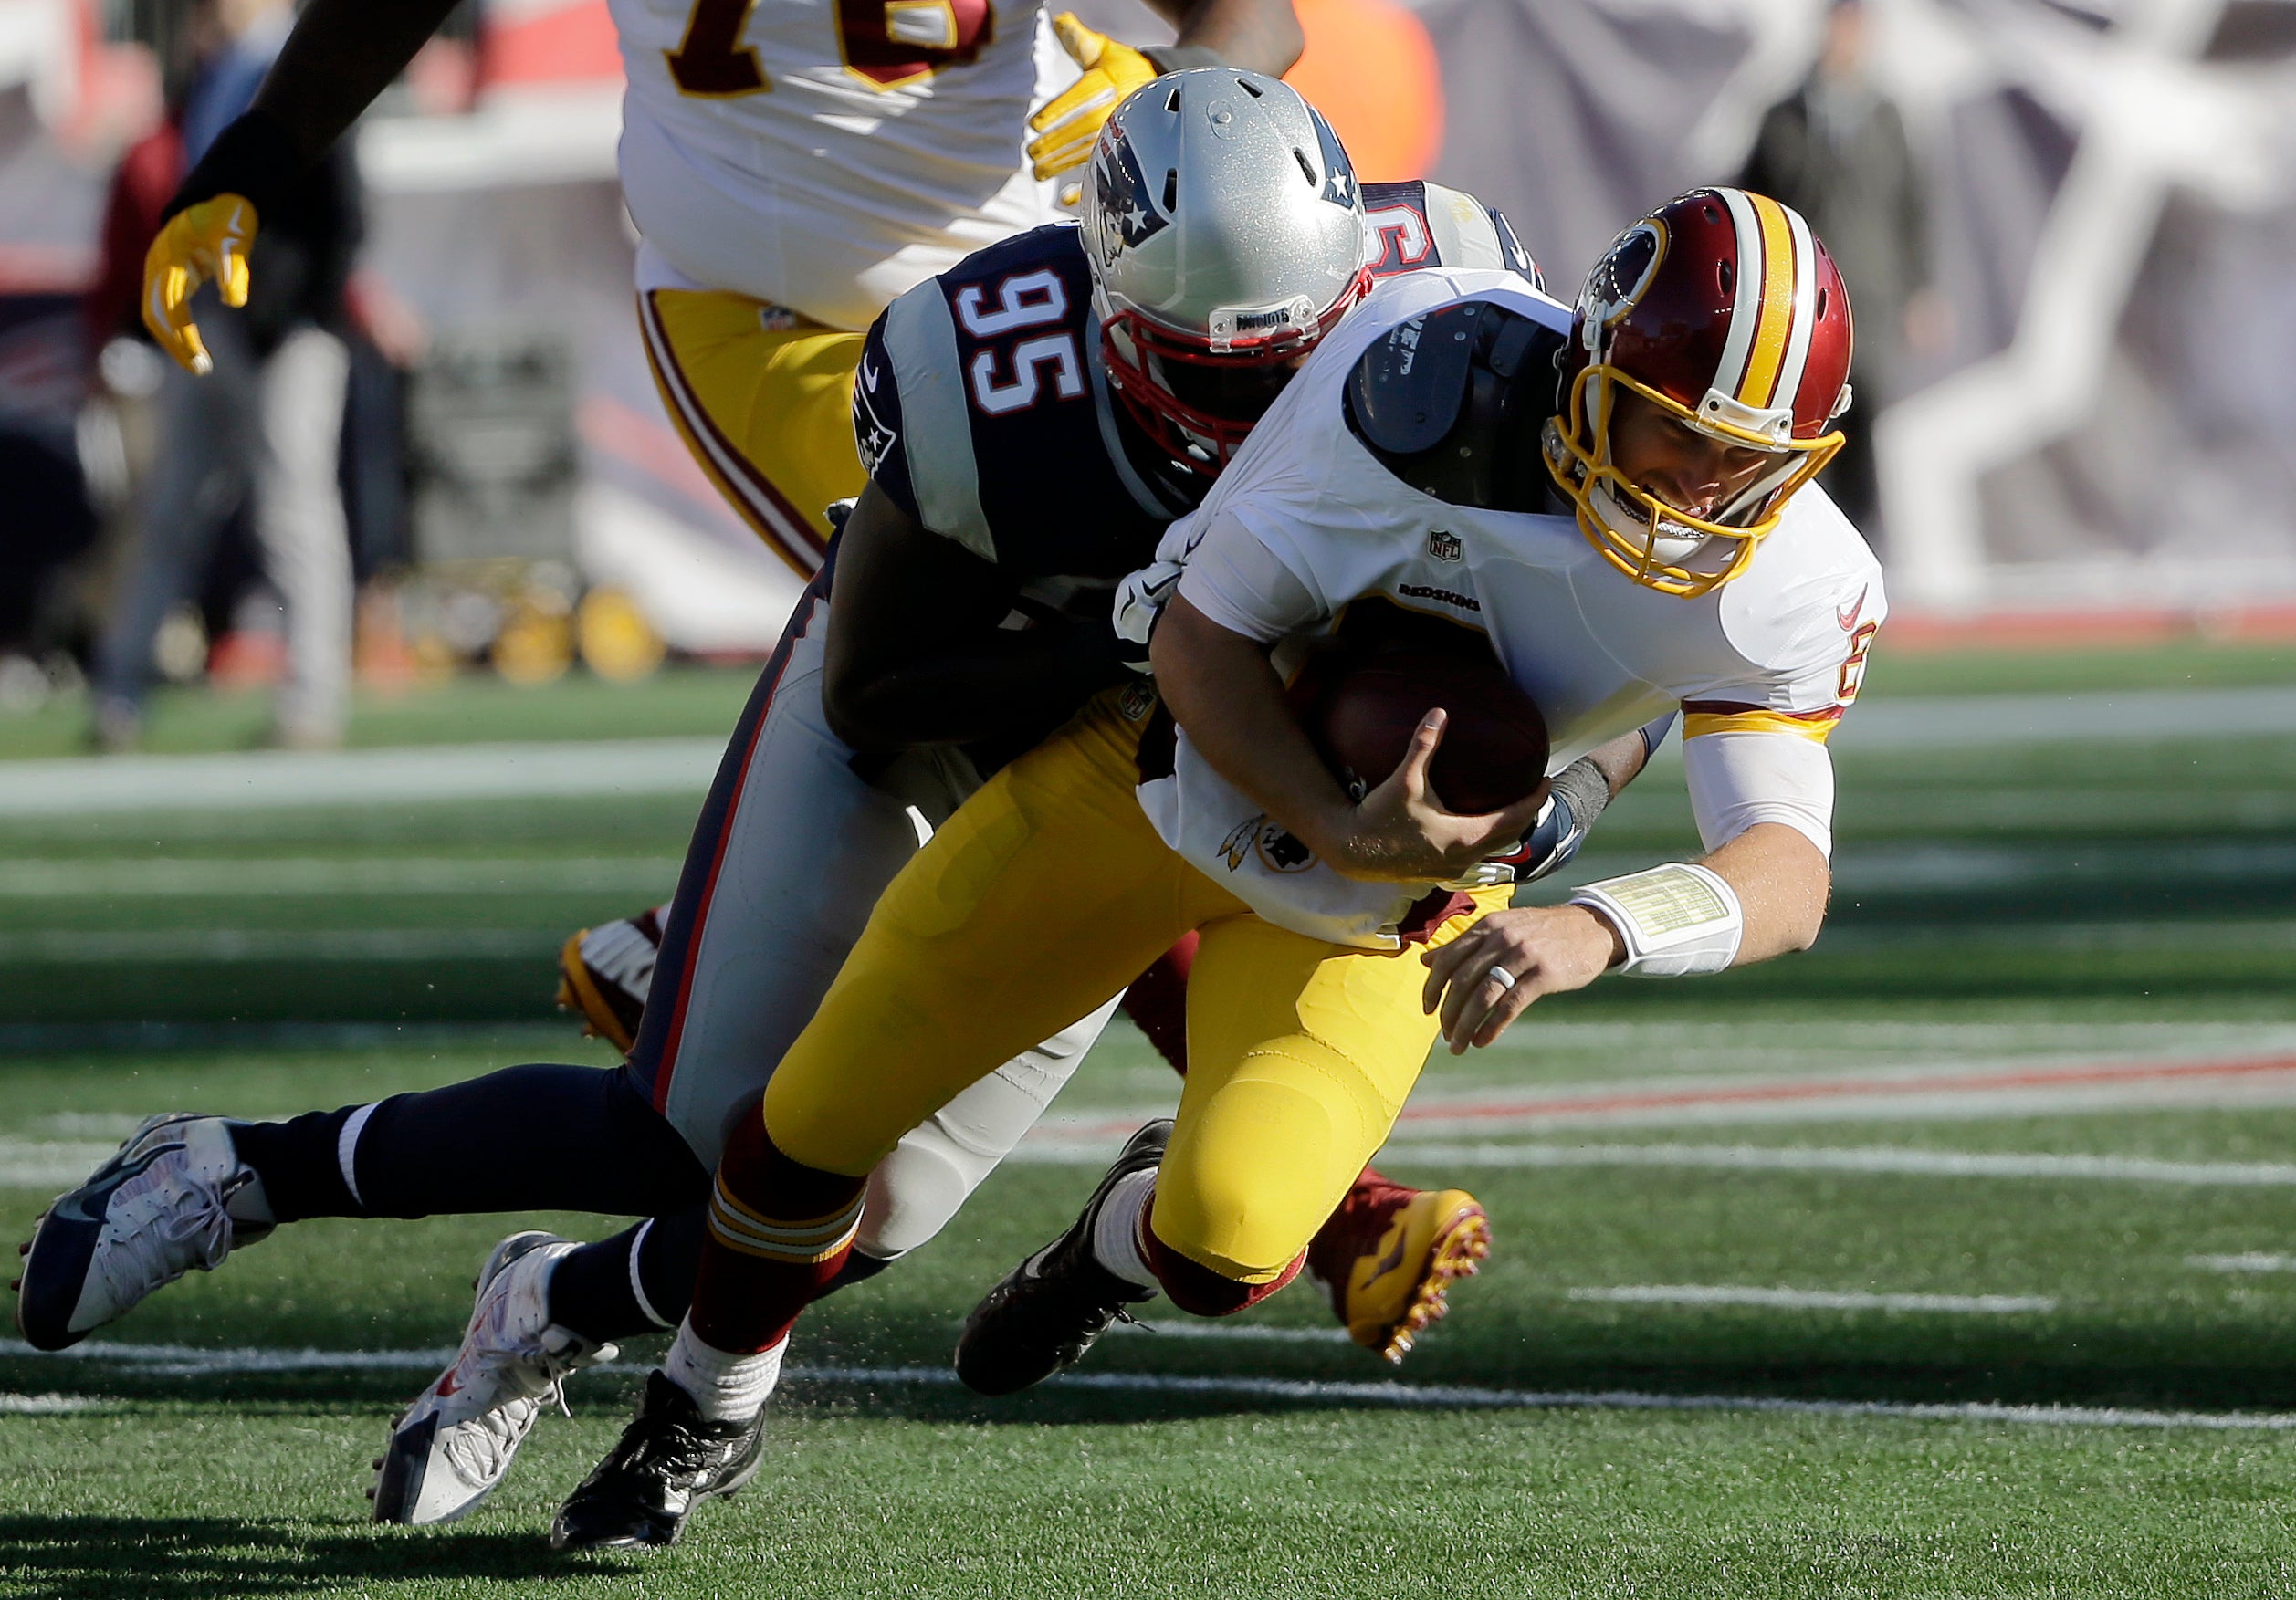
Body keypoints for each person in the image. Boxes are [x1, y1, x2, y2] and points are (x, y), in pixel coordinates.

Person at [19, 76, 1646, 1543]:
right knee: (698, 1122)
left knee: (858, 1214)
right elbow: (880, 690)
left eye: (1299, 355)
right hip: (960, 702)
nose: (1279, 407)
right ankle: (241, 1169)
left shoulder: (1453, 300)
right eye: (1225, 381)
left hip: (1158, 765)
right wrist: (1158, 631)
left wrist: (1531, 784)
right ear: (1121, 323)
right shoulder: (984, 380)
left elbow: (1595, 629)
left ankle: (548, 1302)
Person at [593, 183, 1878, 1535]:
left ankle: (1109, 1241)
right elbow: (1200, 642)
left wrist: (1592, 927)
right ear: (1590, 359)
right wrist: (1331, 820)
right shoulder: (1425, 379)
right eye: (1675, 434)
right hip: (1173, 780)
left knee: (1227, 1236)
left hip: (1389, 899)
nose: (1700, 486)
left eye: (1747, 460)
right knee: (809, 1120)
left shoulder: (1793, 578)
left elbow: (1783, 871)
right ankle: (700, 1411)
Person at [92, 0, 362, 751]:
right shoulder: (211, 70)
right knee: (168, 507)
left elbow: (342, 211)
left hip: (277, 329)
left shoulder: (302, 61)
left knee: (292, 509)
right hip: (207, 316)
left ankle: (312, 698)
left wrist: (293, 313)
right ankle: (121, 691)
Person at [1736, 0, 1939, 536]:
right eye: (1837, 28)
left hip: (1870, 302)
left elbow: (1913, 208)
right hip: (1805, 304)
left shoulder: (1886, 115)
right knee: (1804, 426)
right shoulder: (1786, 115)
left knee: (1862, 433)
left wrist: (1921, 290)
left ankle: (1862, 552)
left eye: (1854, 30)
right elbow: (1757, 202)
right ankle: (1797, 545)